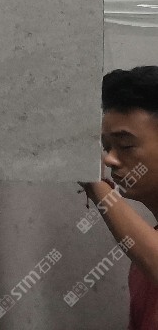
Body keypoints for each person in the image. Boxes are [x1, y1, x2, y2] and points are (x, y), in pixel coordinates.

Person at [83, 67, 158, 329]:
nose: (109, 159)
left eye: (125, 145)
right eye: (106, 148)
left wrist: (95, 184)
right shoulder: (141, 262)